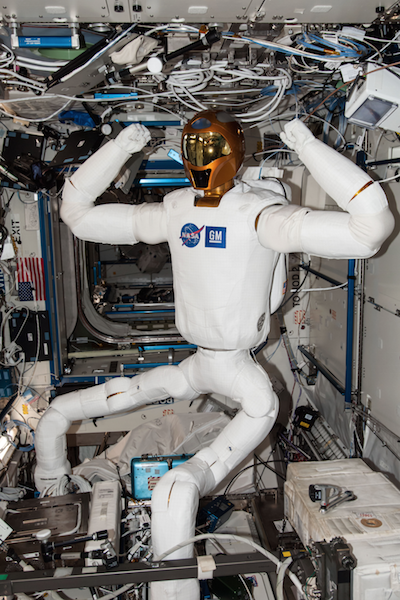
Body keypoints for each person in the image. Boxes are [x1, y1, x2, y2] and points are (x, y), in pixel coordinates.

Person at [35, 111, 394, 600]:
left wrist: (308, 146)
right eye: (193, 148)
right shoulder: (181, 208)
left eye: (211, 147)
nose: (200, 159)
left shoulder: (260, 216)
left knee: (178, 487)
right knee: (57, 414)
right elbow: (76, 216)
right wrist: (118, 148)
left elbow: (370, 230)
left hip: (240, 377)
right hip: (198, 363)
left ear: (236, 153)